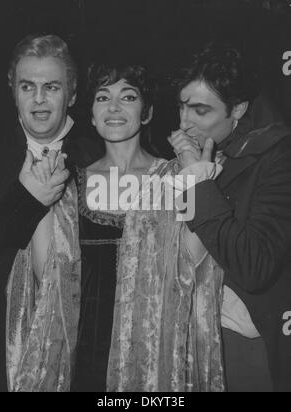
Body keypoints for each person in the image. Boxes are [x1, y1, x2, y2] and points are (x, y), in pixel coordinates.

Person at [71, 63, 225, 392]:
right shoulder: (68, 185)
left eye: (127, 97)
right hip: (84, 357)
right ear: (92, 114)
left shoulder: (173, 178)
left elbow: (194, 259)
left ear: (147, 113)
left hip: (154, 354)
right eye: (102, 97)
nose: (113, 107)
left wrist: (195, 178)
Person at [169, 42, 291, 392]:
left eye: (200, 111)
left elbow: (254, 265)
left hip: (244, 345)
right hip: (193, 337)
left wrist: (197, 182)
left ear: (237, 109)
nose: (184, 123)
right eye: (182, 106)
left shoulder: (278, 155)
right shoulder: (204, 150)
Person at [0, 34, 102, 392]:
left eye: (51, 87)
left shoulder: (101, 152)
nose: (38, 99)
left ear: (71, 94)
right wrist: (27, 200)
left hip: (82, 346)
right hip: (3, 346)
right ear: (13, 89)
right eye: (28, 86)